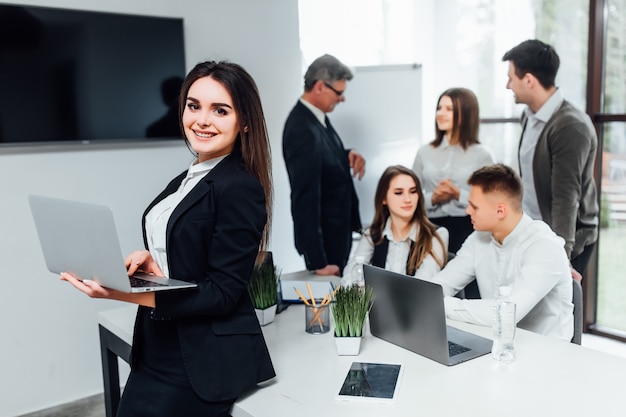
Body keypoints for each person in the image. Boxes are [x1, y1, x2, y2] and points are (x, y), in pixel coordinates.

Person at [61, 61, 275, 417]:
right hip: (158, 345)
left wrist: (123, 293)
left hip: (200, 363)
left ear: (245, 122)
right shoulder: (190, 177)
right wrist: (153, 263)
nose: (202, 120)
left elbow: (223, 293)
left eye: (220, 110)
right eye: (194, 106)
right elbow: (189, 254)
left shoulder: (239, 187)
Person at [429, 164, 573, 341]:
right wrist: (430, 297)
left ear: (500, 211)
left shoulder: (544, 246)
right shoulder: (478, 239)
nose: (467, 211)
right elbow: (439, 286)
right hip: (496, 343)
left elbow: (506, 313)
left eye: (474, 207)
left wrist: (442, 304)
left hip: (546, 354)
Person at [502, 39, 599, 281]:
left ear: (529, 80)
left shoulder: (570, 126)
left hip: (568, 240)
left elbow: (566, 199)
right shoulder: (529, 117)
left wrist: (561, 257)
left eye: (511, 78)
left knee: (559, 315)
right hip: (537, 234)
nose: (507, 85)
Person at [283, 54, 366, 276]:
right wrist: (318, 262)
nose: (342, 99)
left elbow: (321, 160)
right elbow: (304, 199)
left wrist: (346, 154)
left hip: (336, 237)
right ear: (320, 86)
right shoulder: (301, 129)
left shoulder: (316, 117)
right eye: (339, 93)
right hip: (325, 249)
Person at [412, 87, 495, 298]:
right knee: (430, 286)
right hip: (431, 228)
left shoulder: (482, 154)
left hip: (468, 227)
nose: (441, 113)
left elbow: (491, 201)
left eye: (449, 108)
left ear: (466, 113)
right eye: (439, 107)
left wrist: (459, 194)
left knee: (471, 289)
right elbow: (411, 194)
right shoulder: (424, 152)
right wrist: (434, 198)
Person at [341, 165, 448, 286]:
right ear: (383, 199)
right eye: (398, 193)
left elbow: (423, 286)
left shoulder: (436, 235)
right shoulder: (372, 234)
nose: (408, 199)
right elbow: (351, 275)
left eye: (413, 191)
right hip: (377, 304)